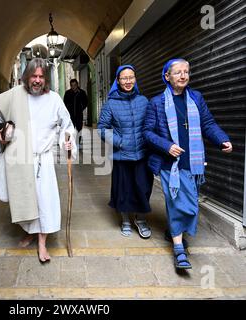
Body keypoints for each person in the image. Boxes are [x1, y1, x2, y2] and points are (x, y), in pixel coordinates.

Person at [143, 58, 232, 270]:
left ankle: (173, 231)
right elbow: (147, 132)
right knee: (176, 204)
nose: (183, 76)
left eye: (186, 72)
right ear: (167, 76)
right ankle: (179, 249)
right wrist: (166, 146)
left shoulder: (196, 97)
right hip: (169, 164)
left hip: (194, 162)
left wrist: (222, 139)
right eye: (178, 72)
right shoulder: (156, 102)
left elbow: (207, 123)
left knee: (190, 205)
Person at [0, 58, 76, 263]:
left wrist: (68, 140)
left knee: (44, 201)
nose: (37, 80)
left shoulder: (54, 99)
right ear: (26, 77)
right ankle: (29, 231)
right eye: (33, 76)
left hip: (43, 160)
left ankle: (42, 242)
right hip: (21, 159)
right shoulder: (15, 96)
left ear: (45, 78)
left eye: (41, 76)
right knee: (25, 200)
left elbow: (67, 124)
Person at [97, 65, 154, 239]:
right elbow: (102, 128)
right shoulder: (111, 104)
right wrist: (120, 142)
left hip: (142, 154)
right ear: (118, 80)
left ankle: (141, 219)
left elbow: (151, 124)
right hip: (122, 155)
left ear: (135, 79)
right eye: (124, 78)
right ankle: (125, 220)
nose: (128, 81)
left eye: (131, 77)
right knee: (123, 189)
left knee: (143, 188)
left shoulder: (144, 101)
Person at [64, 79, 88, 147]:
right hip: (70, 115)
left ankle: (78, 143)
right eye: (72, 85)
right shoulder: (68, 93)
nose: (73, 87)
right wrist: (68, 110)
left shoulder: (82, 93)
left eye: (75, 85)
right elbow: (65, 103)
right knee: (70, 129)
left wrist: (81, 108)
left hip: (79, 114)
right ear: (70, 86)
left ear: (77, 85)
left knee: (79, 129)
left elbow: (86, 102)